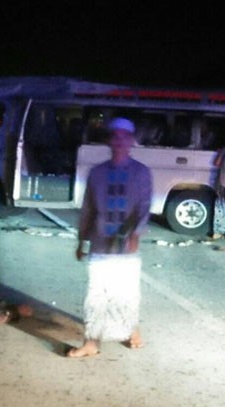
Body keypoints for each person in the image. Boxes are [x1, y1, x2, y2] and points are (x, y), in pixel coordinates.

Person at [69, 117, 152, 358]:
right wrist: (81, 240)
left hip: (127, 248)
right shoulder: (97, 173)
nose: (119, 141)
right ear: (109, 140)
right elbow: (88, 209)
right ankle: (91, 342)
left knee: (126, 293)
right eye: (114, 136)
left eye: (124, 137)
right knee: (96, 295)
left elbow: (144, 207)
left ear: (132, 141)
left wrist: (136, 232)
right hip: (100, 244)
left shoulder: (142, 173)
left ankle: (132, 330)